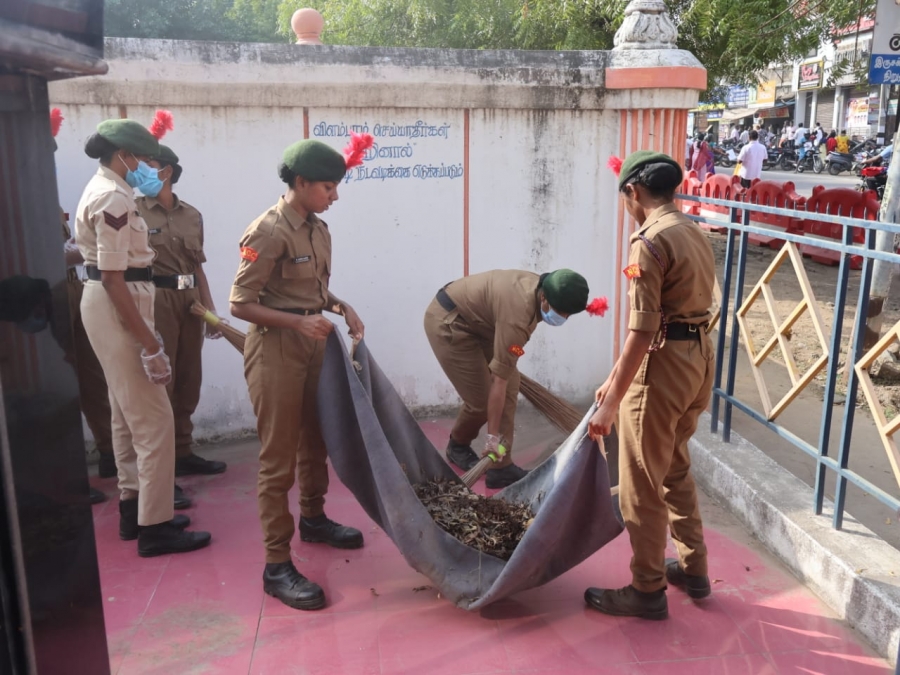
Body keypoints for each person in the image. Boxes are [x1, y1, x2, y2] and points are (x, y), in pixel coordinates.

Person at [230, 136, 369, 611]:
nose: (335, 196)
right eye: (328, 186)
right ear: (301, 182)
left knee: (317, 440)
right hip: (276, 352)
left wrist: (340, 305)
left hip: (314, 345)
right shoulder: (268, 231)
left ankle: (314, 518)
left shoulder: (317, 229)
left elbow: (313, 290)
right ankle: (276, 565)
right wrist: (297, 322)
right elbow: (239, 303)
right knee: (278, 459)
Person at [584, 150, 714, 620]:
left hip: (663, 367)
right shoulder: (692, 230)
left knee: (640, 482)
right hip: (698, 359)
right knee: (675, 464)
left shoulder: (649, 241)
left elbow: (643, 330)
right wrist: (612, 379)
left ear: (632, 192)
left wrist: (612, 401)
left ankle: (646, 589)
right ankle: (695, 568)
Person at [75, 118, 210, 556]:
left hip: (110, 299)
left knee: (123, 413)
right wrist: (151, 345)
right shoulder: (113, 196)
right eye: (145, 160)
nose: (150, 169)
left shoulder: (106, 188)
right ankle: (157, 528)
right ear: (124, 156)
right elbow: (115, 278)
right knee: (154, 421)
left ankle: (133, 513)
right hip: (119, 301)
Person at [423, 269, 600, 489]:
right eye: (559, 311)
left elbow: (505, 380)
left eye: (568, 314)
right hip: (450, 322)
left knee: (511, 386)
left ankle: (501, 468)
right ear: (543, 297)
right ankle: (458, 445)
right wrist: (491, 440)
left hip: (482, 324)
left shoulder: (544, 290)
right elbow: (499, 380)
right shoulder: (518, 317)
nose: (562, 318)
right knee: (481, 402)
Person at [137, 142, 228, 478]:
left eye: (147, 164)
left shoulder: (192, 215)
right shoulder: (134, 211)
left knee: (190, 376)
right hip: (155, 297)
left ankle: (183, 451)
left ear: (166, 171)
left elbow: (197, 267)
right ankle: (162, 463)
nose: (138, 170)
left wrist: (211, 312)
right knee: (163, 380)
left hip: (190, 299)